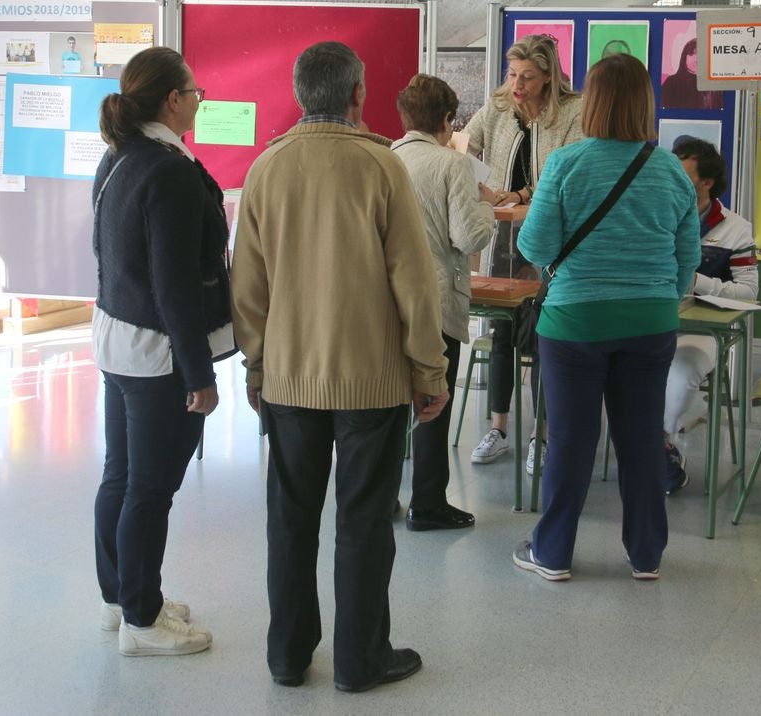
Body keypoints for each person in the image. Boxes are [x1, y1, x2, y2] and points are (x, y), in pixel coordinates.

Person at [232, 41, 449, 692]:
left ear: (301, 95)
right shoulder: (382, 169)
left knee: (290, 520)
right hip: (372, 380)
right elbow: (415, 282)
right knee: (363, 522)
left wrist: (256, 367)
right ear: (358, 94)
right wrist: (429, 371)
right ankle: (360, 660)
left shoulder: (265, 170)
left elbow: (247, 286)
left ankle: (288, 656)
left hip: (291, 379)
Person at [511, 53, 700, 583]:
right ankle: (645, 556)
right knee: (640, 438)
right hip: (650, 322)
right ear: (646, 103)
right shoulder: (670, 171)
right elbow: (686, 264)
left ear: (590, 102)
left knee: (571, 439)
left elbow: (535, 243)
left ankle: (552, 553)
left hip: (575, 323)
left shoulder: (566, 164)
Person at [92, 47, 231, 656]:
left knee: (120, 477)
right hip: (156, 355)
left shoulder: (119, 157)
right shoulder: (168, 171)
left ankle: (123, 596)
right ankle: (142, 624)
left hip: (117, 340)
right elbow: (173, 282)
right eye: (195, 92)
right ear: (172, 99)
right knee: (150, 489)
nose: (199, 101)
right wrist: (200, 375)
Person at [463, 34, 584, 474]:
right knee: (500, 330)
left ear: (549, 76)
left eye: (528, 77)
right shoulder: (497, 108)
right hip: (502, 237)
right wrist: (479, 186)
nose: (517, 84)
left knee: (543, 336)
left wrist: (517, 193)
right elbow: (465, 147)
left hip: (551, 239)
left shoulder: (572, 112)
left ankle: (542, 436)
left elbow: (565, 173)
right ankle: (498, 428)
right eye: (513, 74)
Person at [391, 74, 495, 531]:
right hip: (438, 299)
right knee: (435, 401)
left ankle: (381, 498)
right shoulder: (452, 165)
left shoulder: (387, 158)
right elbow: (469, 235)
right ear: (449, 120)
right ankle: (428, 503)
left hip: (389, 299)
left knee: (390, 405)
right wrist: (487, 206)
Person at [661, 137, 758, 494]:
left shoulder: (735, 228)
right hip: (652, 324)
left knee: (682, 371)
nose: (671, 183)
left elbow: (748, 293)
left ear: (707, 182)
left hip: (701, 330)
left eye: (682, 176)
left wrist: (697, 281)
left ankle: (662, 445)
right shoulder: (653, 216)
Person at [660, 38, 722, 110]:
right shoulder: (671, 82)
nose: (697, 58)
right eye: (693, 53)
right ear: (684, 57)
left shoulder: (715, 86)